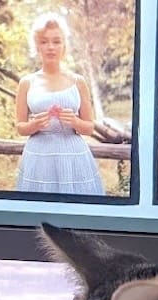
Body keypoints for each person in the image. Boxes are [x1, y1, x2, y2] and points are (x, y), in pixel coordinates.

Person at [14, 13, 104, 196]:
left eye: (56, 41)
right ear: (37, 46)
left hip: (73, 156)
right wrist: (34, 125)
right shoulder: (26, 83)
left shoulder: (78, 81)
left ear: (64, 46)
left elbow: (89, 127)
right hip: (38, 158)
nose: (50, 47)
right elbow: (20, 127)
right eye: (44, 42)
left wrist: (75, 122)